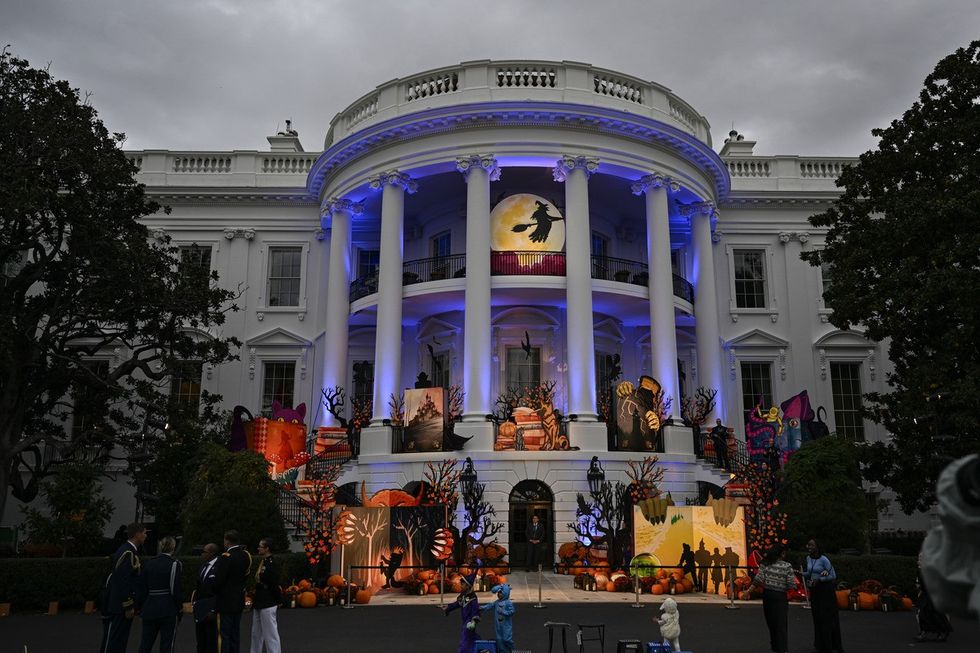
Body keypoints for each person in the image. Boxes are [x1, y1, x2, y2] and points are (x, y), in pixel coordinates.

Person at [100, 522, 147, 653]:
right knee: (115, 642)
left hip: (121, 606)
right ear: (137, 534)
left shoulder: (129, 551)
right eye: (144, 533)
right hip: (120, 607)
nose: (145, 536)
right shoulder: (128, 553)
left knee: (119, 641)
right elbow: (123, 581)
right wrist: (128, 605)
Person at [136, 536, 183, 653]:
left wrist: (142, 606)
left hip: (149, 608)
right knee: (167, 646)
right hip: (168, 609)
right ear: (173, 548)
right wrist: (179, 608)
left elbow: (142, 588)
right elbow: (175, 589)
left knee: (145, 644)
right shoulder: (174, 564)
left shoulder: (149, 563)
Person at [212, 530, 252, 653]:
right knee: (235, 634)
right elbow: (246, 574)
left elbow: (219, 580)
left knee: (223, 635)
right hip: (238, 600)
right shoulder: (246, 555)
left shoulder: (226, 557)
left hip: (225, 602)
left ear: (227, 541)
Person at [750, 545, 794, 653]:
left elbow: (758, 579)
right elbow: (791, 584)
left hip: (768, 595)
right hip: (780, 596)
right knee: (781, 623)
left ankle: (775, 645)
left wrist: (748, 591)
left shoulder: (765, 564)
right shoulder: (787, 566)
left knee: (771, 622)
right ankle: (782, 648)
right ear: (782, 554)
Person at [803, 539, 843, 653]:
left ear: (817, 547)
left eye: (811, 545)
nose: (808, 546)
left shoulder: (824, 559)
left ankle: (831, 645)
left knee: (827, 618)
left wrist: (820, 579)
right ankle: (820, 644)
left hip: (825, 591)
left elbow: (833, 575)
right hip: (815, 592)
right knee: (817, 618)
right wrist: (803, 574)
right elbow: (810, 573)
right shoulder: (808, 558)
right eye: (808, 544)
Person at [250, 538, 282, 653]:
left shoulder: (272, 563)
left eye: (261, 546)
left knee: (270, 634)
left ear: (267, 548)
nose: (258, 548)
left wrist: (278, 599)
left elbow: (273, 583)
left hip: (268, 600)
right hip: (259, 599)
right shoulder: (263, 562)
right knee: (256, 633)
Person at [915, 559, 952, 641]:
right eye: (918, 559)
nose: (918, 561)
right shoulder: (921, 571)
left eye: (921, 559)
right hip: (927, 594)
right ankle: (927, 632)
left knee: (932, 613)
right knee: (925, 612)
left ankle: (938, 632)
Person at [443, 572, 480, 653]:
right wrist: (448, 607)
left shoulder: (473, 598)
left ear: (468, 586)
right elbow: (457, 604)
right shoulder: (464, 596)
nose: (460, 586)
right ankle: (478, 648)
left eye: (462, 584)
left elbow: (475, 609)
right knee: (471, 637)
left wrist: (473, 621)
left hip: (469, 622)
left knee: (465, 637)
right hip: (465, 620)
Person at [193, 543, 220, 653]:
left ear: (212, 553)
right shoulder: (203, 566)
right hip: (200, 609)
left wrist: (214, 609)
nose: (202, 554)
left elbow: (219, 590)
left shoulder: (219, 567)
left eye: (204, 552)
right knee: (201, 640)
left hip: (211, 610)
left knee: (211, 640)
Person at [480, 583, 515, 653]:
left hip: (506, 626)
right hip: (498, 625)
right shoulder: (496, 602)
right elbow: (489, 606)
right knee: (499, 640)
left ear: (505, 593)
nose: (499, 594)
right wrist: (481, 607)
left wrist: (504, 612)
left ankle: (511, 650)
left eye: (501, 593)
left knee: (507, 639)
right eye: (498, 593)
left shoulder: (508, 603)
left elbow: (512, 611)